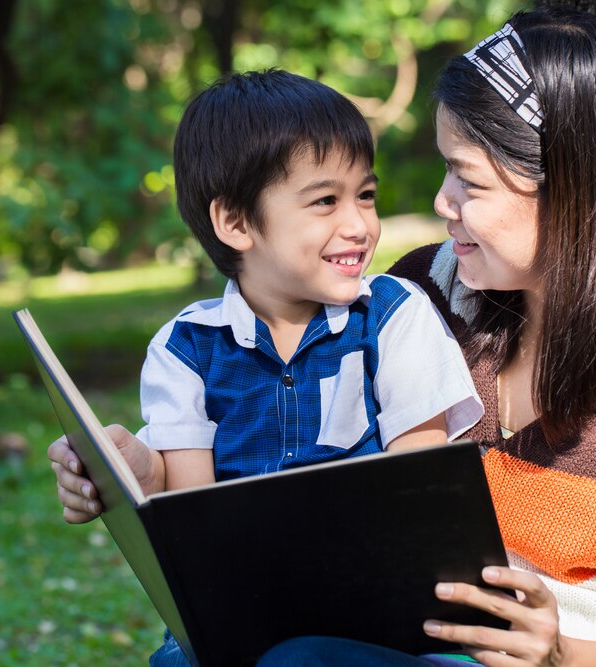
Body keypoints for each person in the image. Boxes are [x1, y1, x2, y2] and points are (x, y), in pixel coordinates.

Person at [51, 8, 596, 666]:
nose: (441, 203)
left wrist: (560, 651)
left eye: (470, 180)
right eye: (444, 170)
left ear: (573, 189)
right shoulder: (424, 296)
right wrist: (140, 474)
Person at [48, 69, 483, 665]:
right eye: (325, 201)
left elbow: (420, 499)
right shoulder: (186, 349)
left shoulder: (391, 317)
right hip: (244, 618)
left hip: (387, 618)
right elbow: (194, 523)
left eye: (366, 195)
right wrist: (136, 470)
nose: (358, 224)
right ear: (235, 222)